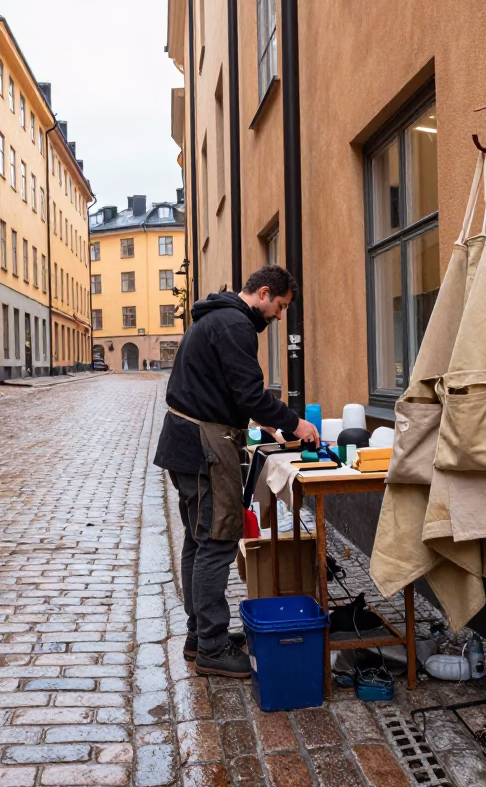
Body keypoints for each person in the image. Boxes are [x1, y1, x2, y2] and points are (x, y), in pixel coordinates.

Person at [154, 265, 320, 678]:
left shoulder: (217, 317)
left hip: (185, 443)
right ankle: (211, 646)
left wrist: (259, 420)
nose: (279, 316)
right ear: (264, 294)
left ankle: (199, 637)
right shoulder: (235, 325)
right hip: (203, 447)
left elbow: (225, 389)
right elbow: (248, 392)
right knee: (216, 541)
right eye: (279, 307)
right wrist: (294, 423)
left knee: (198, 540)